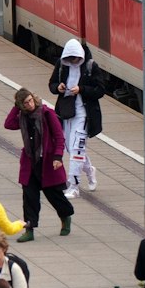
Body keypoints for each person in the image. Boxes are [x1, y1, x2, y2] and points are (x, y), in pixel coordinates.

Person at [5, 87, 73, 240]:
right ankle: (29, 229)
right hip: (30, 162)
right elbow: (8, 124)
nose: (30, 104)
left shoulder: (47, 113)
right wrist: (16, 107)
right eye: (25, 103)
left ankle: (65, 216)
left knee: (54, 195)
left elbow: (59, 137)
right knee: (29, 197)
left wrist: (57, 157)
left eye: (30, 100)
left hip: (47, 162)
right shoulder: (22, 117)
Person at [49, 39, 106, 196]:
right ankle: (89, 170)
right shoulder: (61, 65)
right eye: (69, 58)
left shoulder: (90, 66)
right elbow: (52, 84)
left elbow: (100, 90)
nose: (72, 61)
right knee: (70, 147)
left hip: (84, 114)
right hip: (66, 113)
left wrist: (81, 89)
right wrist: (58, 87)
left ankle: (73, 186)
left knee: (76, 148)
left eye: (74, 58)